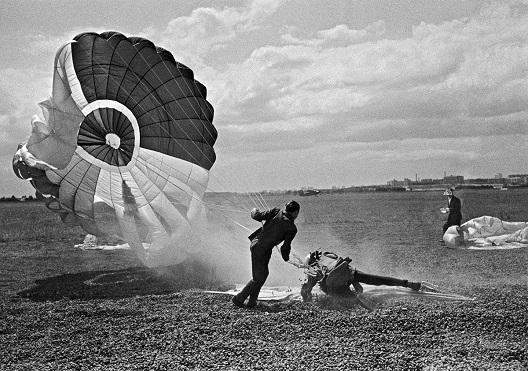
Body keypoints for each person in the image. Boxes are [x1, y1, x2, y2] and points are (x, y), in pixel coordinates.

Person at [232, 201, 300, 308]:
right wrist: (286, 259)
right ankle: (239, 298)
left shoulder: (276, 211)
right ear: (295, 212)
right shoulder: (292, 228)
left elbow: (257, 216)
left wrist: (254, 210)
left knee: (262, 275)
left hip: (257, 245)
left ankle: (251, 302)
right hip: (262, 250)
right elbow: (285, 247)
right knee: (259, 277)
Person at [300, 251, 424, 309]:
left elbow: (306, 290)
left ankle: (369, 310)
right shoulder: (326, 255)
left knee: (345, 297)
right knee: (376, 279)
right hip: (346, 270)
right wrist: (355, 282)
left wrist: (308, 301)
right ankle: (408, 283)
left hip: (336, 279)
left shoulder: (313, 269)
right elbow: (341, 266)